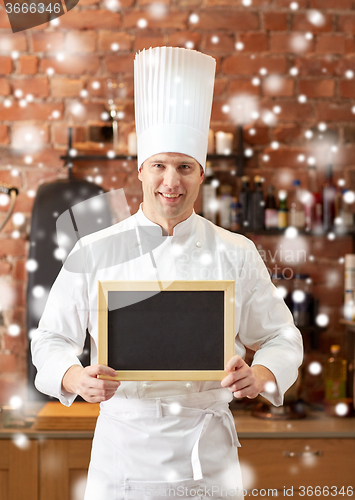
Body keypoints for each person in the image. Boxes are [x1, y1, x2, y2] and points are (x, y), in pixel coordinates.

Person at [31, 47, 303, 500]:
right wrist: (74, 378)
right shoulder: (94, 250)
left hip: (207, 458)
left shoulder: (236, 251)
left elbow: (282, 337)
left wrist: (261, 375)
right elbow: (50, 340)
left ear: (201, 174)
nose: (170, 182)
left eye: (184, 167)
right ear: (140, 171)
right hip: (123, 455)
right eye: (159, 165)